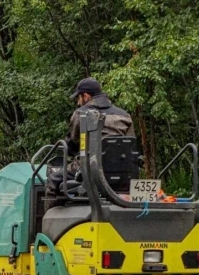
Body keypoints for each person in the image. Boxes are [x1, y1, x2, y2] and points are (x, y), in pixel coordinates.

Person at [44, 77, 136, 208]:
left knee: (53, 180)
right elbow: (130, 144)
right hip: (122, 171)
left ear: (86, 96)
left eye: (78, 98)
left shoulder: (81, 113)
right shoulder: (124, 116)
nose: (78, 102)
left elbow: (72, 144)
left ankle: (49, 221)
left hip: (88, 168)